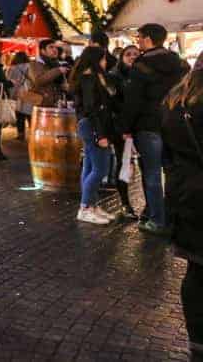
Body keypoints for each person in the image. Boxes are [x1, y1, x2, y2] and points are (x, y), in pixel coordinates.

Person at [119, 23, 190, 236]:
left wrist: (125, 127)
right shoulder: (179, 63)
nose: (137, 40)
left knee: (151, 174)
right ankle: (172, 217)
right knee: (172, 172)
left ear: (148, 39)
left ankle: (157, 220)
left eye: (139, 37)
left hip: (148, 125)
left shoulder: (141, 65)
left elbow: (133, 100)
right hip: (173, 124)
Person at [160, 62, 203, 361]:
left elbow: (167, 156)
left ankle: (197, 339)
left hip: (186, 194)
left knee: (196, 270)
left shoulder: (173, 101)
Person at [70, 46, 118, 225]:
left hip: (89, 125)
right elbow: (92, 109)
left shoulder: (91, 76)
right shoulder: (89, 78)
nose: (106, 62)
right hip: (93, 126)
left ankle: (91, 204)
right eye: (103, 59)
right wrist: (100, 134)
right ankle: (85, 208)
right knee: (100, 169)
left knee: (90, 168)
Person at [109, 45, 142, 220]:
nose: (132, 57)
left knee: (143, 165)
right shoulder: (115, 76)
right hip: (122, 128)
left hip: (142, 126)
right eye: (128, 54)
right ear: (121, 57)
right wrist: (125, 127)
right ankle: (125, 203)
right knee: (125, 163)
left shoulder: (143, 75)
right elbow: (114, 104)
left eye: (136, 54)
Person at [23, 39, 69, 110]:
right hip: (40, 105)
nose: (55, 50)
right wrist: (58, 70)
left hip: (55, 104)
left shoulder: (56, 64)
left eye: (55, 47)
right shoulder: (36, 64)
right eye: (51, 47)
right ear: (43, 51)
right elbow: (39, 80)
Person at [6, 51, 32, 141]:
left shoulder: (13, 68)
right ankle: (33, 133)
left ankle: (21, 134)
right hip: (30, 93)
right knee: (30, 114)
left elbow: (10, 83)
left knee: (19, 114)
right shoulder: (31, 66)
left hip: (19, 93)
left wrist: (11, 95)